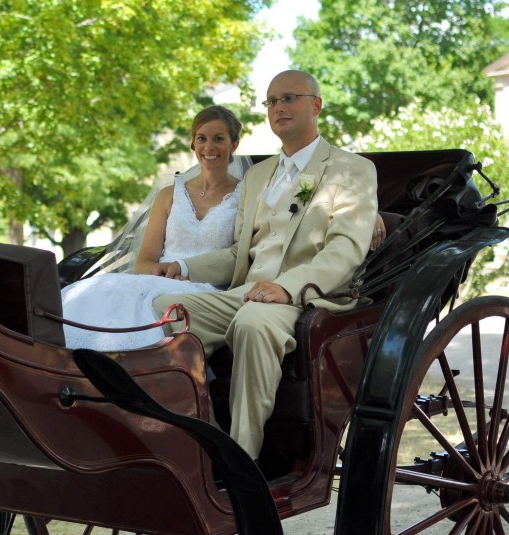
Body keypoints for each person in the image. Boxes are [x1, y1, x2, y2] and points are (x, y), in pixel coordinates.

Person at [153, 70, 378, 461]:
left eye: (289, 98)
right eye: (272, 101)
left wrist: (287, 287)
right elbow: (240, 252)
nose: (279, 108)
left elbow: (344, 249)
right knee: (168, 308)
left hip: (303, 299)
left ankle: (244, 460)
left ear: (316, 105)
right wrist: (184, 268)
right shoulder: (257, 176)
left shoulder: (350, 170)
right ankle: (205, 440)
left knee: (253, 322)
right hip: (246, 291)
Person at [62, 106, 246, 350]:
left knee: (152, 307)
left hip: (207, 289)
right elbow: (144, 263)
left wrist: (188, 273)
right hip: (158, 279)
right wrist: (163, 272)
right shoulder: (170, 193)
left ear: (234, 144)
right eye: (201, 138)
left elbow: (240, 258)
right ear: (193, 144)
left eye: (219, 139)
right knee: (96, 291)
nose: (208, 148)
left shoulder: (246, 195)